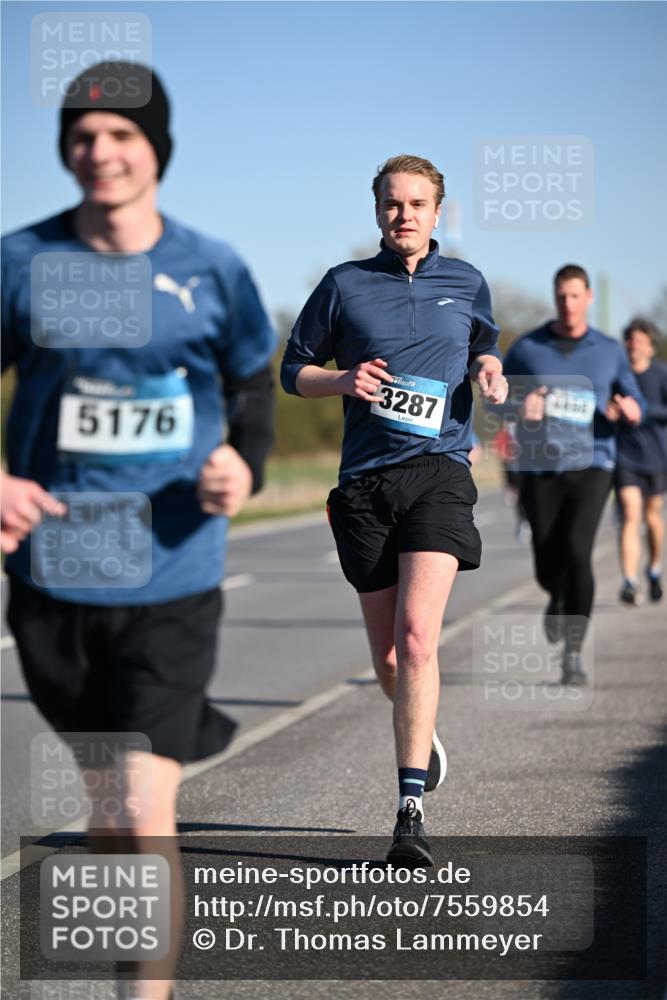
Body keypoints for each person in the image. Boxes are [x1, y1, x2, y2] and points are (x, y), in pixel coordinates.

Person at [1, 62, 275, 1000]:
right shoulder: (22, 263)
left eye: (121, 135)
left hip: (172, 574)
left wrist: (247, 462)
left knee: (142, 803)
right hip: (55, 576)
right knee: (107, 814)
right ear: (66, 151)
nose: (100, 152)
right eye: (83, 135)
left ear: (155, 148)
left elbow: (249, 387)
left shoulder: (212, 269)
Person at [281, 154, 507, 866]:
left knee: (416, 638)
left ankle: (408, 813)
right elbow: (292, 373)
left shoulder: (465, 282)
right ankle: (418, 724)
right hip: (364, 486)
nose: (402, 214)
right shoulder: (343, 285)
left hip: (439, 471)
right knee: (386, 657)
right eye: (390, 204)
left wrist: (491, 367)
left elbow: (483, 346)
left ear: (437, 212)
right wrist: (342, 379)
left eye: (415, 203)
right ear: (376, 211)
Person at [503, 265, 643, 686]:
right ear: (554, 297)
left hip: (593, 463)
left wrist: (631, 410)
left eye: (575, 296)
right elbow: (496, 398)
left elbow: (631, 396)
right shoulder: (528, 347)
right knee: (547, 561)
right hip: (538, 464)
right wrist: (516, 407)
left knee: (578, 551)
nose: (568, 304)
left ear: (588, 299)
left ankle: (574, 655)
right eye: (561, 296)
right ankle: (556, 596)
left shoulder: (609, 349)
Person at [612, 317, 667, 605]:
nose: (635, 346)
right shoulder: (618, 375)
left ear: (651, 347)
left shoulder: (661, 374)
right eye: (631, 341)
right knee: (631, 515)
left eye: (641, 341)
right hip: (625, 457)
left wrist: (641, 412)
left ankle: (654, 569)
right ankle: (629, 581)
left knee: (652, 517)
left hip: (657, 457)